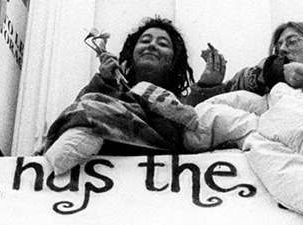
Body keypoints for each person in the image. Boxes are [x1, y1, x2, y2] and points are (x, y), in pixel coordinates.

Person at [41, 17, 196, 173]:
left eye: (162, 44)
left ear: (174, 60)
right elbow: (78, 117)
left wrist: (207, 87)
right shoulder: (110, 91)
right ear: (132, 54)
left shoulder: (182, 105)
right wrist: (105, 82)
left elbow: (196, 132)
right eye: (145, 41)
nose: (152, 45)